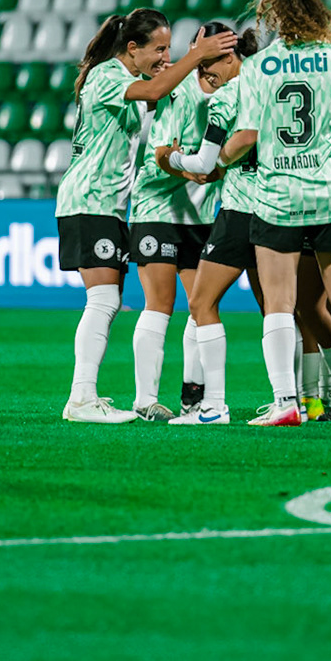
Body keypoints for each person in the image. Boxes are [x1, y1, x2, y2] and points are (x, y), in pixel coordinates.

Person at [206, 0, 331, 425]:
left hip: (278, 198)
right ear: (318, 11)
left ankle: (286, 404)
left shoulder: (259, 67)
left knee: (279, 302)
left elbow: (247, 137)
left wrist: (221, 159)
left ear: (274, 13)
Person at [58, 9, 236, 424]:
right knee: (103, 300)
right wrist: (197, 56)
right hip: (90, 198)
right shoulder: (107, 75)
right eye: (158, 48)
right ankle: (81, 398)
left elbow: (158, 89)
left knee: (110, 300)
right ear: (132, 48)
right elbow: (156, 91)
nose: (165, 56)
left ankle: (88, 396)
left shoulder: (127, 78)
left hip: (109, 203)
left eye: (169, 49)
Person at [128, 21, 236, 421]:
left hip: (203, 214)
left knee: (200, 305)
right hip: (157, 207)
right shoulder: (179, 89)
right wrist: (188, 169)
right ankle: (145, 400)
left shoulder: (236, 92)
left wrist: (216, 170)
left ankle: (194, 396)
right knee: (160, 302)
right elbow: (159, 153)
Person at [166, 26, 262, 425]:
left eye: (208, 61)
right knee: (284, 310)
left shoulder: (228, 95)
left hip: (241, 209)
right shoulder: (270, 82)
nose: (204, 71)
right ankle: (302, 401)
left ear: (229, 55)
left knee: (201, 303)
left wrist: (173, 160)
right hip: (285, 205)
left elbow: (206, 164)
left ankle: (213, 406)